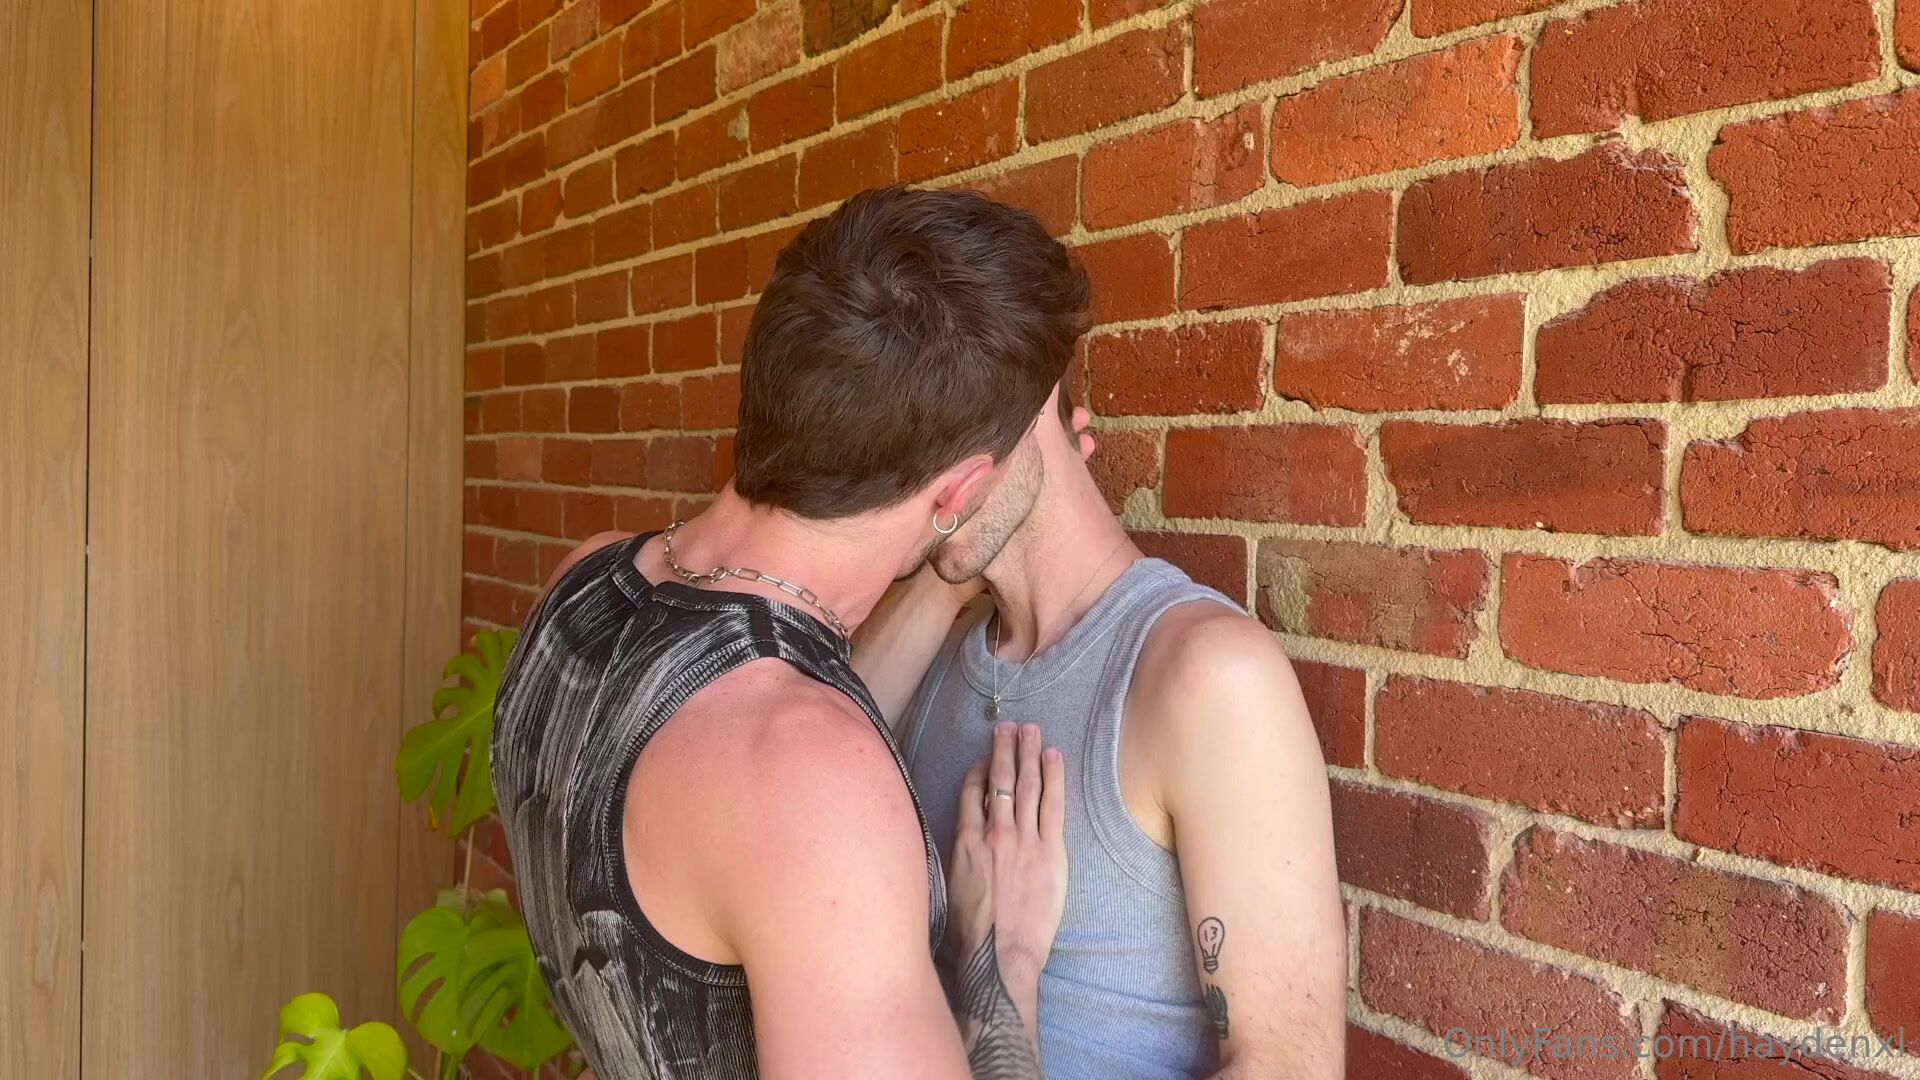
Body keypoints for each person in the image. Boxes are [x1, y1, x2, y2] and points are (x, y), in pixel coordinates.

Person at [490, 186, 1091, 1078]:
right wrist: (1004, 966)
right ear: (963, 490)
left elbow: (746, 715)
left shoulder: (582, 584)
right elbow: (785, 773)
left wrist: (941, 583)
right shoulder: (813, 784)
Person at [852, 384, 1348, 1079]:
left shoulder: (1210, 676)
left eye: (927, 418)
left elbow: (1289, 1067)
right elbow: (811, 778)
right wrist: (957, 546)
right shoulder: (933, 654)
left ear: (1033, 391)